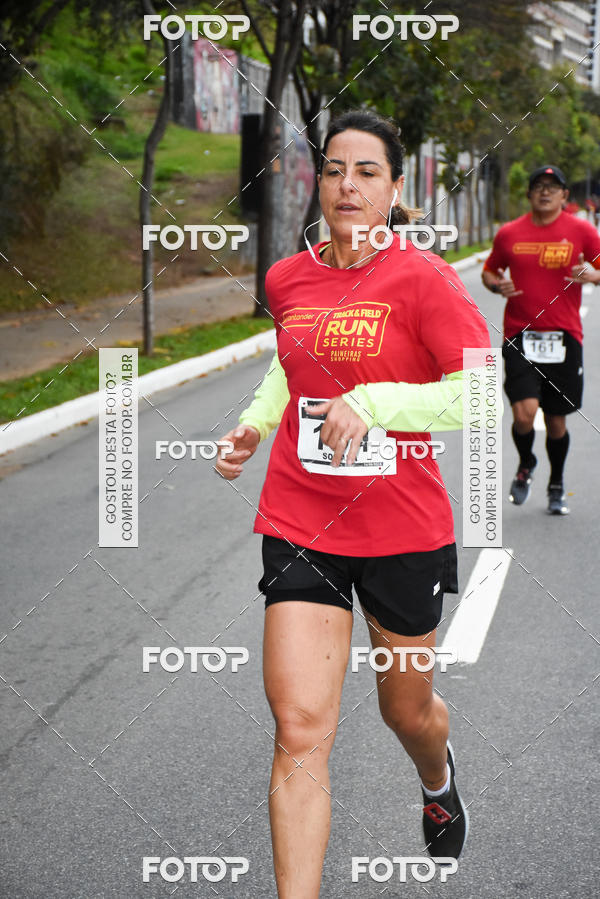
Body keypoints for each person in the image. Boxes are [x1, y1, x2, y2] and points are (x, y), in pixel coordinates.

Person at [216, 110, 490, 896]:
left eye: (368, 172)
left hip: (401, 528)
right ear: (317, 180)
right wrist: (254, 423)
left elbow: (476, 391)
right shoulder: (288, 277)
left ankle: (436, 774)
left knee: (405, 711)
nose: (348, 185)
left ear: (397, 190)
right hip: (303, 521)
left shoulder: (423, 278)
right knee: (299, 728)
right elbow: (291, 364)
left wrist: (373, 401)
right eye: (335, 168)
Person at [482, 165, 600, 514]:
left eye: (553, 187)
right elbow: (490, 270)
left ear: (565, 195)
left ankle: (557, 483)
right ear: (530, 194)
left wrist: (593, 274)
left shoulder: (582, 230)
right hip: (520, 334)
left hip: (564, 337)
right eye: (538, 186)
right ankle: (526, 463)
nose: (544, 192)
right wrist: (494, 284)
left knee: (556, 421)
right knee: (523, 414)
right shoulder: (509, 233)